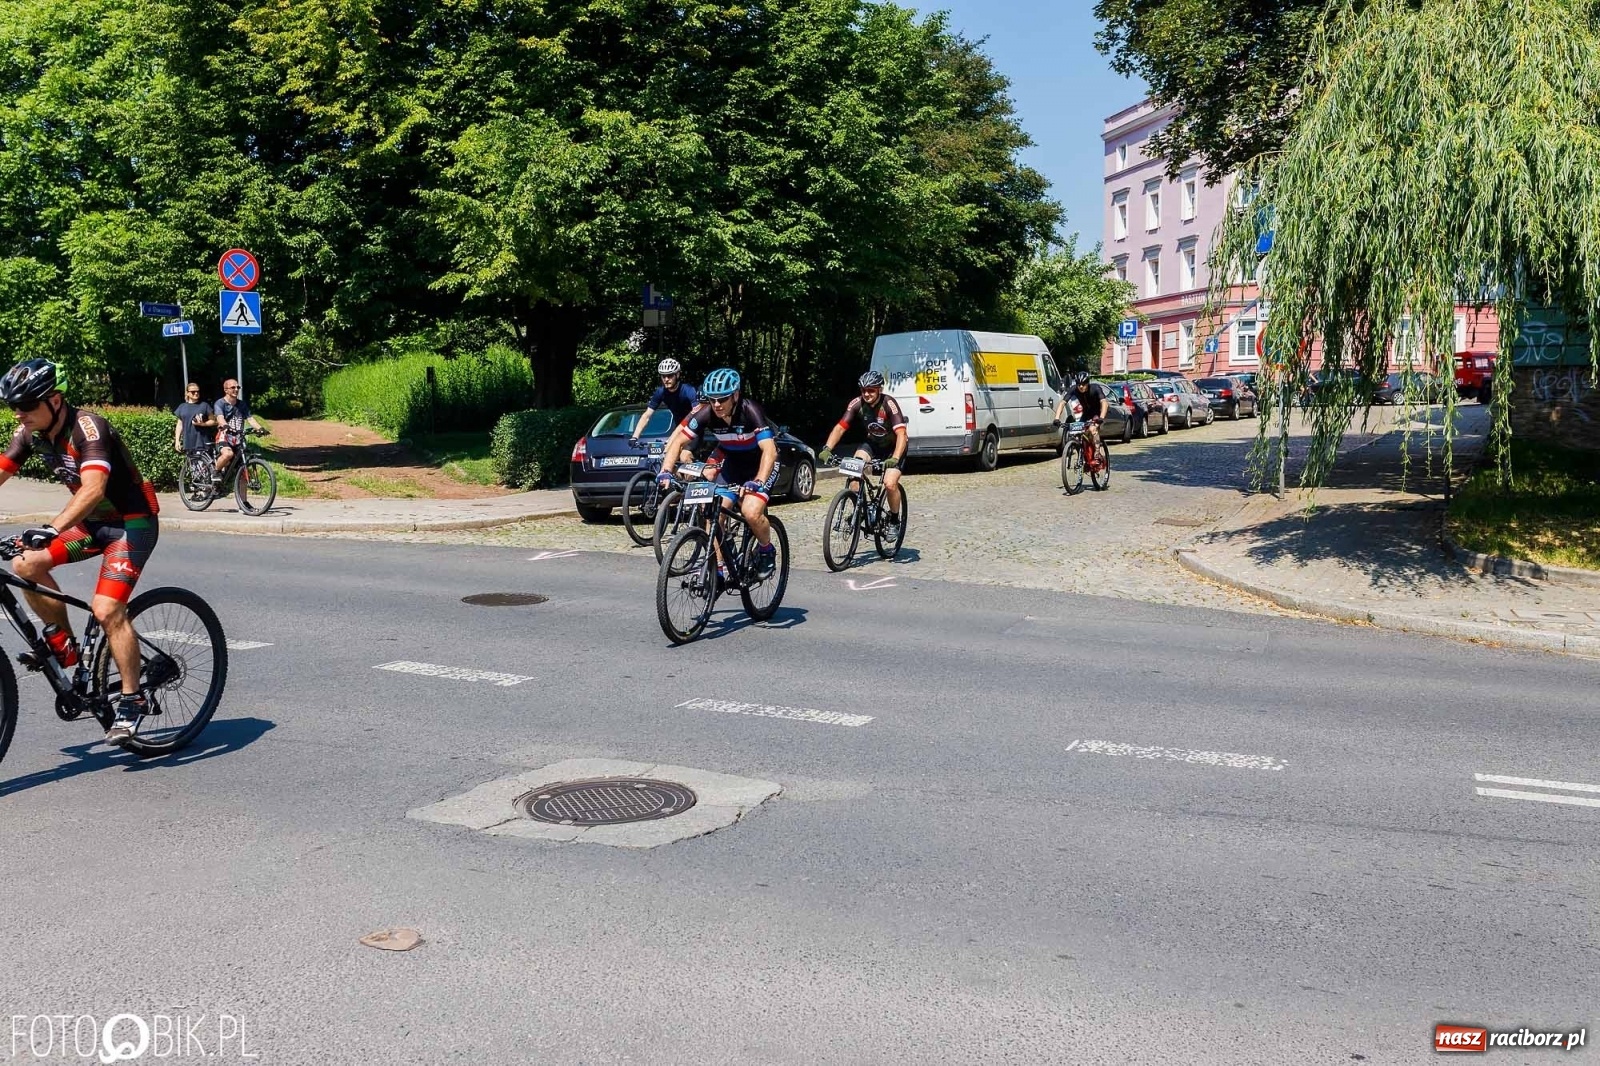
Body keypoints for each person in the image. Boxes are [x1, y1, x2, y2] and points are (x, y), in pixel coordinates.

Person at [0, 358, 161, 746]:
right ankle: (68, 646)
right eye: (14, 408)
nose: (19, 415)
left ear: (55, 400)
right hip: (91, 525)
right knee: (26, 564)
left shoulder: (89, 428)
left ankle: (132, 696)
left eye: (26, 405)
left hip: (131, 522)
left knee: (107, 610)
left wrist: (52, 528)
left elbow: (93, 489)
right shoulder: (31, 433)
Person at [656, 368, 779, 577]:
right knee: (711, 512)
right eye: (712, 400)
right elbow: (678, 441)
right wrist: (666, 471)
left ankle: (767, 549)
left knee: (750, 511)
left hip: (760, 466)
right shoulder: (707, 413)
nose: (717, 405)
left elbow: (769, 450)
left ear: (735, 395)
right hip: (733, 466)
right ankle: (719, 568)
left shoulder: (750, 410)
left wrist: (758, 480)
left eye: (722, 399)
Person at [817, 370, 907, 528]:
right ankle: (860, 509)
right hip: (872, 444)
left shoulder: (889, 403)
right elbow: (840, 427)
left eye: (871, 390)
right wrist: (827, 448)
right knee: (853, 472)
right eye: (864, 390)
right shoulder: (856, 403)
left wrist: (895, 458)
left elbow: (901, 434)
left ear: (880, 389)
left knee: (890, 483)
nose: (867, 394)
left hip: (894, 447)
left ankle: (894, 520)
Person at [630, 358, 699, 465]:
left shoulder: (688, 390)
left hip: (694, 427)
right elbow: (646, 415)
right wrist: (635, 436)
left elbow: (697, 412)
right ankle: (675, 480)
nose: (666, 379)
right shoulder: (660, 392)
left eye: (670, 375)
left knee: (684, 457)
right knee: (667, 458)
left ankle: (692, 480)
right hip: (678, 427)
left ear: (678, 375)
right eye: (663, 376)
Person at [195, 379, 264, 483]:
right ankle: (216, 471)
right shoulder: (220, 403)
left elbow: (250, 418)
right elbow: (219, 417)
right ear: (225, 390)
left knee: (243, 473)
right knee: (228, 454)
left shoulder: (242, 404)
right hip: (224, 437)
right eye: (233, 387)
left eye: (238, 387)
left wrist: (260, 428)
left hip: (238, 439)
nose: (236, 389)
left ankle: (243, 500)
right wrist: (225, 425)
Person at [1055, 372, 1108, 468]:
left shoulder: (1095, 388)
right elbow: (1063, 402)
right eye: (1079, 384)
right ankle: (1084, 456)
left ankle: (1096, 455)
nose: (1081, 386)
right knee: (1077, 433)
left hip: (1097, 414)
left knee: (1092, 429)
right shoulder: (1074, 389)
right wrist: (1057, 418)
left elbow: (1104, 403)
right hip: (1086, 414)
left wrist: (1102, 418)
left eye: (1083, 384)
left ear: (1088, 383)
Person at [173, 383, 211, 456]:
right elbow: (180, 425)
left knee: (202, 466)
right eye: (193, 392)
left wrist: (203, 424)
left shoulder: (204, 405)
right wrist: (177, 441)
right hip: (188, 443)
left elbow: (214, 421)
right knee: (192, 465)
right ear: (187, 393)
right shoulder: (182, 407)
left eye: (197, 391)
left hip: (202, 442)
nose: (196, 393)